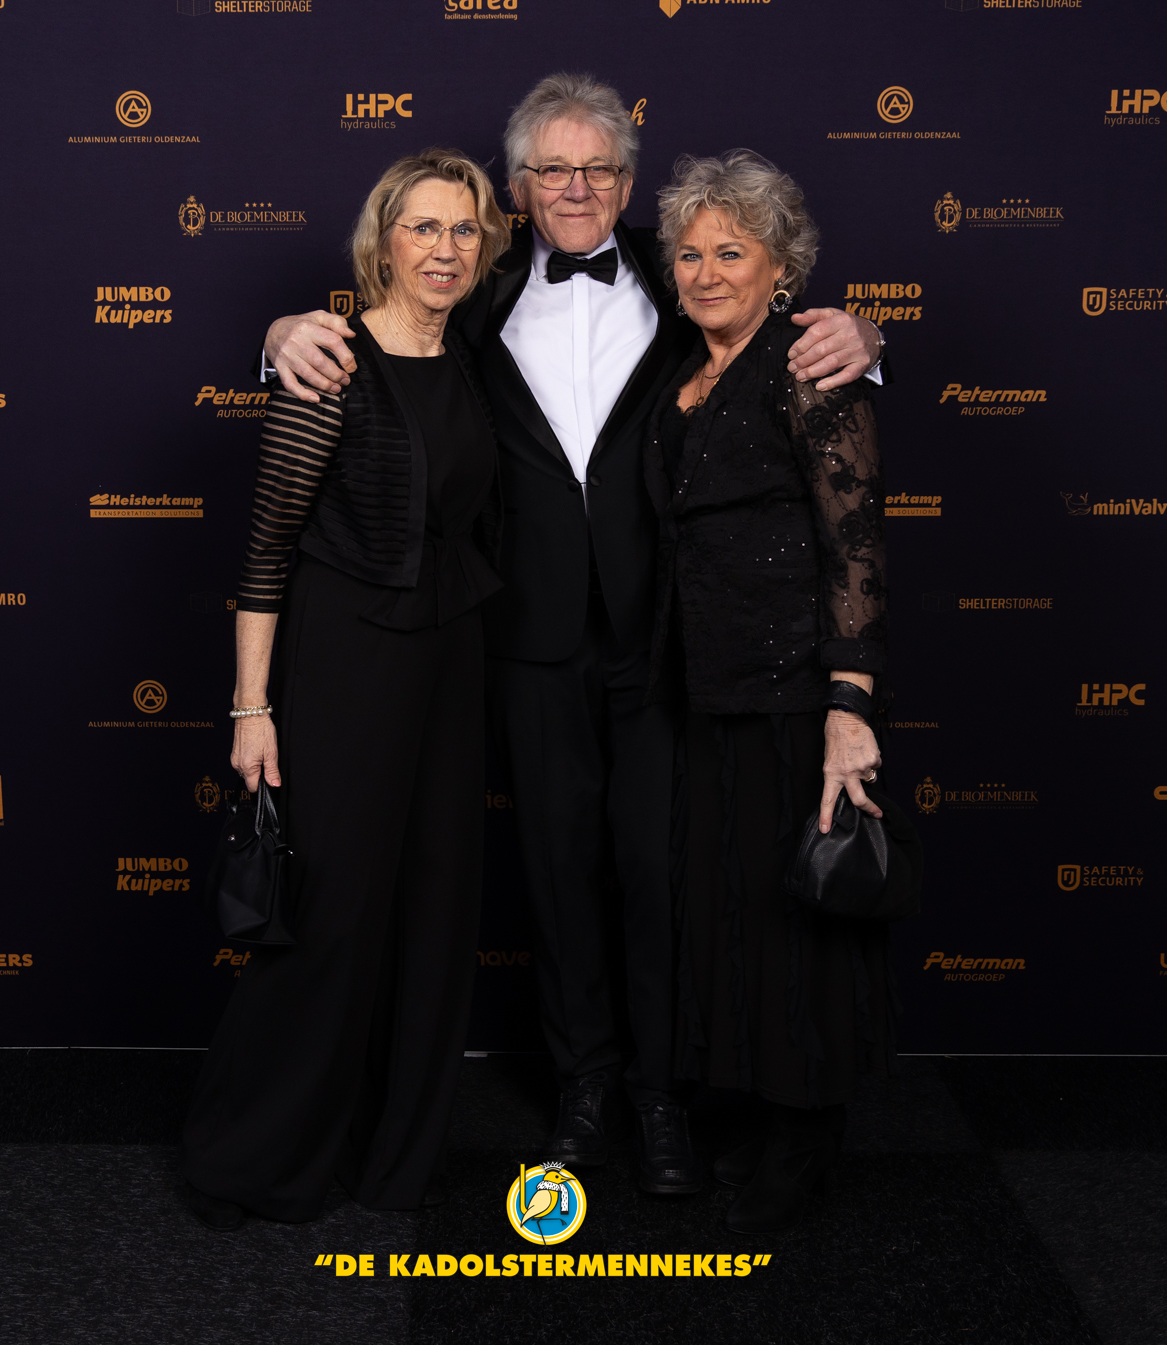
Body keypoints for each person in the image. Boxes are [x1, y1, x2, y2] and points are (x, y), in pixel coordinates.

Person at [262, 74, 883, 1197]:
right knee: (555, 872)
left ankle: (660, 1092)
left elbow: (772, 326)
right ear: (519, 188)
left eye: (599, 169)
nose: (577, 189)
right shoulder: (476, 282)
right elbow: (381, 335)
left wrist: (866, 335)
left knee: (657, 872)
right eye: (553, 169)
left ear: (629, 184)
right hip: (524, 635)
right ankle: (584, 1084)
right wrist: (279, 337)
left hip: (668, 637)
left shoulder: (677, 267)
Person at [180, 150, 511, 1228]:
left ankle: (391, 1153)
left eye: (464, 230)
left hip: (450, 662)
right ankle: (258, 1155)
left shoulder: (470, 357)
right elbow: (266, 550)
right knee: (328, 913)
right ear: (383, 242)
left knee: (434, 907)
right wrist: (251, 709)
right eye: (423, 228)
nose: (445, 249)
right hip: (343, 664)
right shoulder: (329, 362)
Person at [643, 150, 892, 1235]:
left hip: (797, 691)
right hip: (702, 687)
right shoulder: (678, 369)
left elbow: (856, 542)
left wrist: (850, 706)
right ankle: (751, 1107)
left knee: (800, 923)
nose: (706, 272)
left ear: (781, 267)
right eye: (690, 253)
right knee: (735, 909)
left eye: (731, 253)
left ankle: (801, 1146)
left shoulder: (811, 365)